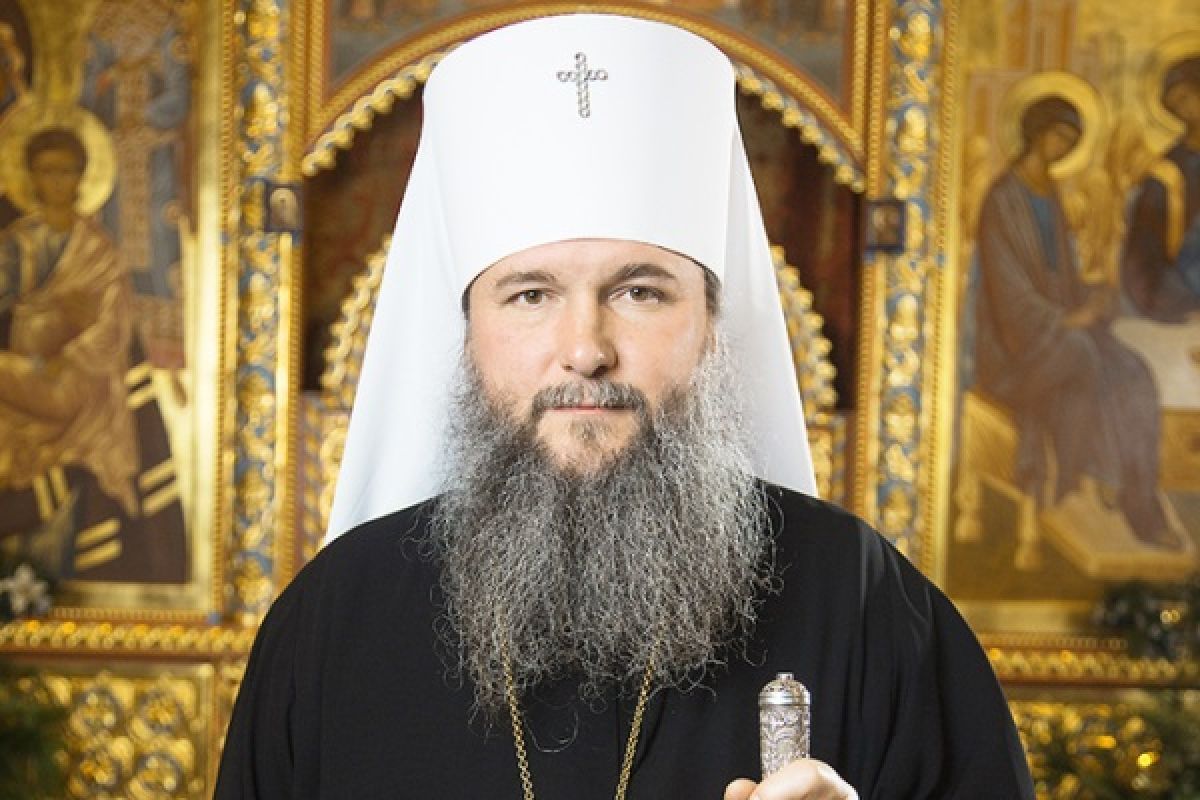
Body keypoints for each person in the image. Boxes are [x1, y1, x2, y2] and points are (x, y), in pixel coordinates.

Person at [216, 15, 1033, 799]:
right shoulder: (333, 623)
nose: (585, 348)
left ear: (710, 327)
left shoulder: (863, 605)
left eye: (640, 292)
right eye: (531, 295)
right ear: (467, 336)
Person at [973, 96, 1175, 549]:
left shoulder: (1051, 193)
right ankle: (1075, 487)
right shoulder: (1002, 199)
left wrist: (1093, 296)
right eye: (1060, 136)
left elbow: (1059, 278)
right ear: (1036, 131)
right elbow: (1008, 290)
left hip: (1057, 331)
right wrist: (1065, 319)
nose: (1064, 147)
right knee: (1082, 355)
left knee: (1133, 370)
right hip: (1013, 349)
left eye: (1072, 141)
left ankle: (1139, 501)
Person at [0, 127, 187, 582]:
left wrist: (67, 352)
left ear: (82, 176)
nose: (56, 181)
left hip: (79, 382)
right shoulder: (17, 243)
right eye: (46, 171)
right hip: (24, 372)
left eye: (66, 171)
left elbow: (111, 326)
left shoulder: (98, 250)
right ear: (30, 177)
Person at [1121, 54, 1200, 321]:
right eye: (1175, 105)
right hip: (1187, 287)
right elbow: (1144, 247)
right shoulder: (1166, 172)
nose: (1183, 110)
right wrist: (1174, 301)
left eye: (1186, 98)